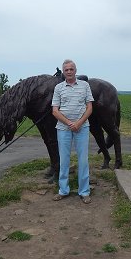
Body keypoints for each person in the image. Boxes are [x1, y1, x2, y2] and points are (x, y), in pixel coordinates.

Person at [51, 59, 94, 204]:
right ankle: (63, 190)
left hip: (82, 128)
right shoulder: (58, 88)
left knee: (83, 160)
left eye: (71, 69)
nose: (69, 72)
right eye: (66, 70)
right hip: (63, 128)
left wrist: (79, 123)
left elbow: (89, 107)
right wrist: (70, 123)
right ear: (63, 72)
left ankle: (84, 191)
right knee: (64, 160)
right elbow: (55, 111)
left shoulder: (85, 86)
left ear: (75, 70)